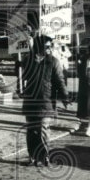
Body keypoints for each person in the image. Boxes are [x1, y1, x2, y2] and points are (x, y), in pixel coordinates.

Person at [20, 33, 69, 165]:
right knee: (31, 130)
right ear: (38, 47)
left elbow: (60, 80)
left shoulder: (53, 62)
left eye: (50, 46)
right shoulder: (28, 60)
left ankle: (44, 156)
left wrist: (65, 96)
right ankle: (32, 156)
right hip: (30, 101)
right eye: (47, 46)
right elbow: (23, 77)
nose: (50, 49)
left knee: (42, 128)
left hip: (46, 101)